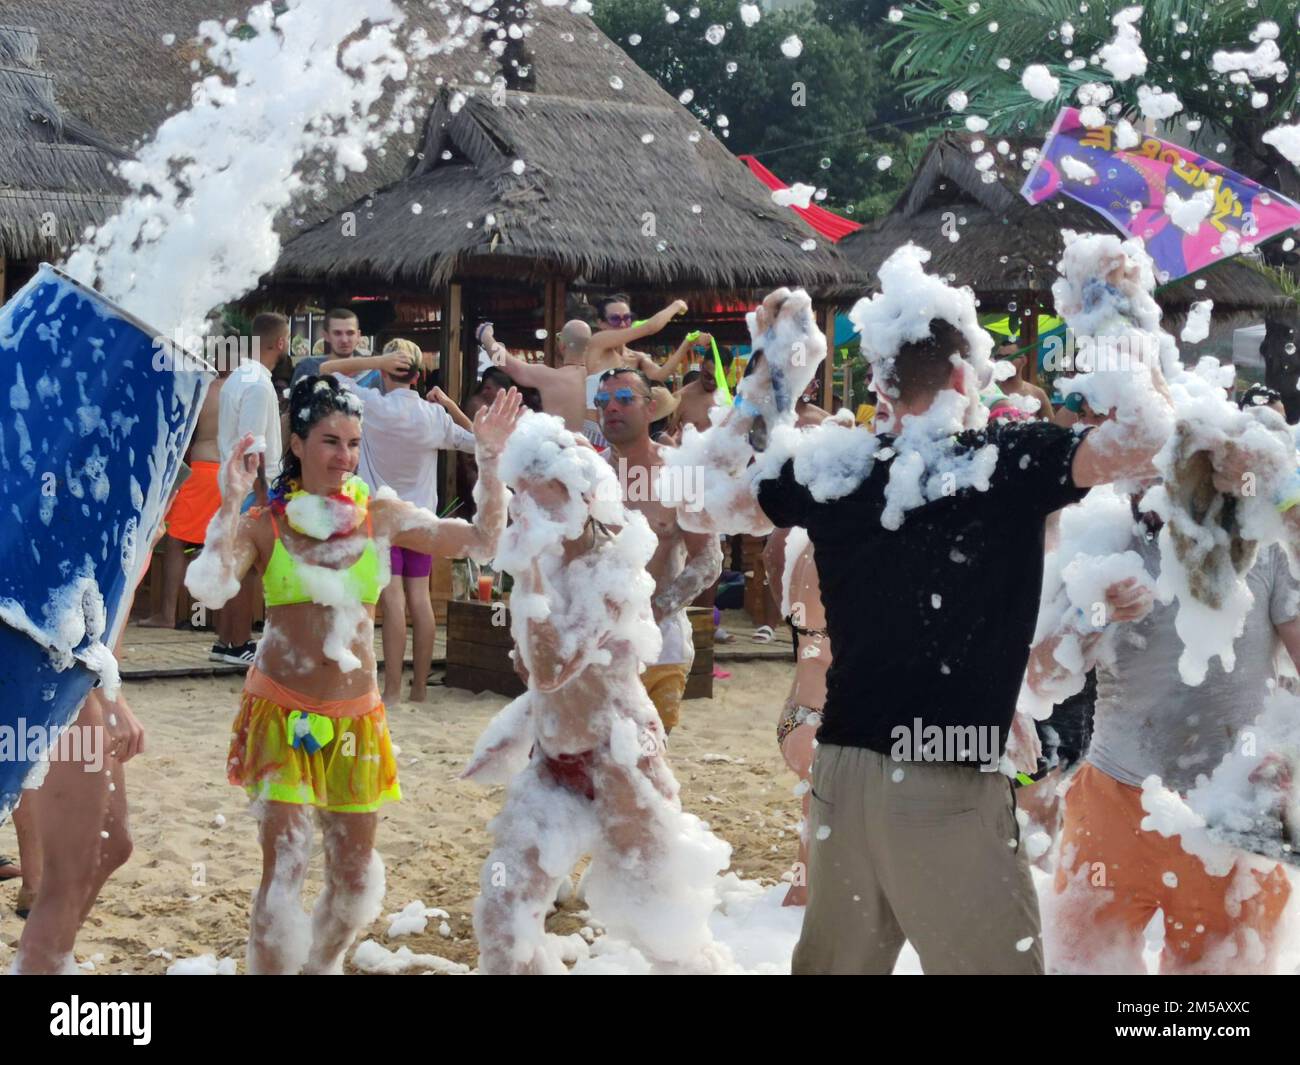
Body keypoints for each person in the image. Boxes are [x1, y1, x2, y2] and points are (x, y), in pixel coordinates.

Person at [679, 282, 1173, 974]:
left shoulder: (835, 465)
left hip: (842, 770)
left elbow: (702, 504)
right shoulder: (1005, 459)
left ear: (879, 383)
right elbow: (1152, 440)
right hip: (947, 773)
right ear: (967, 375)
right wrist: (1116, 318)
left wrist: (769, 374)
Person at [186, 375, 521, 974]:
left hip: (357, 721)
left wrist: (490, 462)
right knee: (283, 870)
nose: (343, 457)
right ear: (296, 444)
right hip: (281, 712)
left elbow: (484, 540)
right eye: (328, 442)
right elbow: (212, 587)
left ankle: (320, 966)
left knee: (352, 880)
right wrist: (230, 501)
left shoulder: (382, 515)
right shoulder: (267, 521)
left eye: (351, 443)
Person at [464, 413, 730, 973]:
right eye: (526, 501)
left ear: (586, 496)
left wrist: (528, 572)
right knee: (501, 909)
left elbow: (553, 664)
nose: (533, 515)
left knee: (664, 929)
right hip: (552, 760)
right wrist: (490, 466)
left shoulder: (614, 568)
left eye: (547, 500)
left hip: (622, 760)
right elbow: (529, 667)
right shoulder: (549, 560)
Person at [1028, 491, 1300, 974]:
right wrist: (1093, 616)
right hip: (1112, 804)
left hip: (1232, 813)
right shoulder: (1098, 542)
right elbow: (1039, 680)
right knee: (1076, 967)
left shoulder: (1261, 544)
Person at [321, 339, 477, 704]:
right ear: (419, 375)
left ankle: (391, 690)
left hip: (383, 519)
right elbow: (483, 443)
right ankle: (419, 689)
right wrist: (451, 405)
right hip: (421, 521)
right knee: (419, 600)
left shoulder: (370, 405)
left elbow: (327, 370)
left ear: (384, 370)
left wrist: (377, 361)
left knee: (392, 602)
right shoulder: (434, 417)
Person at [597, 368, 722, 733]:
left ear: (650, 409)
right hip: (598, 645)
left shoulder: (679, 474)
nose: (612, 409)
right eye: (603, 402)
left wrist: (655, 609)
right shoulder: (588, 475)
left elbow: (710, 559)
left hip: (659, 648)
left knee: (648, 766)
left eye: (624, 400)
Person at [211, 311, 288, 665]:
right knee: (248, 564)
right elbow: (253, 442)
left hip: (232, 479)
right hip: (251, 484)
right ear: (282, 343)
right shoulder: (258, 383)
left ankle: (227, 640)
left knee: (234, 562)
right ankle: (239, 641)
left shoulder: (238, 377)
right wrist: (260, 491)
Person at [139, 368, 228, 629]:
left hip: (203, 469)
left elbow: (181, 432)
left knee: (178, 542)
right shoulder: (245, 387)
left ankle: (167, 614)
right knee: (216, 543)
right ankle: (215, 619)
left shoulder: (205, 388)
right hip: (230, 473)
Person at [584, 296, 696, 419]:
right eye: (615, 319)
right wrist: (676, 305)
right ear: (601, 323)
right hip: (595, 428)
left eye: (627, 318)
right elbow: (650, 327)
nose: (622, 324)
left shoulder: (636, 357)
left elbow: (660, 375)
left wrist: (687, 343)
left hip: (623, 429)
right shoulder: (598, 342)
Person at [479, 320, 590, 436]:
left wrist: (485, 335)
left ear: (562, 345)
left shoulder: (548, 377)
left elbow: (502, 362)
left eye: (558, 338)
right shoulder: (600, 379)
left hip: (557, 451)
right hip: (593, 452)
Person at [292, 308, 378, 388]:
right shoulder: (308, 367)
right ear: (326, 336)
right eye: (337, 333)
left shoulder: (372, 373)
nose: (344, 340)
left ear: (358, 336)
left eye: (350, 333)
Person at [671, 342, 728, 436]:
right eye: (708, 376)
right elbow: (665, 438)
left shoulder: (729, 401)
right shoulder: (680, 398)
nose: (712, 382)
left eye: (717, 379)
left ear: (727, 373)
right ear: (702, 365)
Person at [995, 337, 1054, 420]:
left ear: (1023, 360)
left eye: (1009, 357)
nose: (1003, 361)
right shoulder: (991, 390)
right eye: (999, 357)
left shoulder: (1037, 394)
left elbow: (1051, 428)